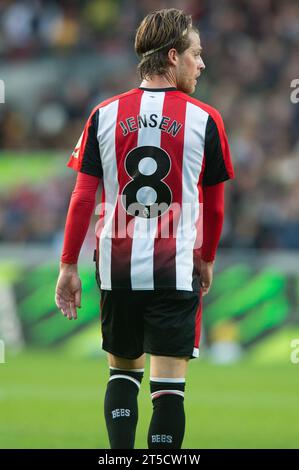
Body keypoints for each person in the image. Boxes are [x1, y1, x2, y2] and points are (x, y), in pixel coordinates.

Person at [55, 8, 235, 449]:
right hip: (175, 269)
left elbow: (82, 198)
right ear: (173, 56)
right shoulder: (206, 118)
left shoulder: (104, 113)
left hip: (116, 267)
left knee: (122, 375)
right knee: (169, 390)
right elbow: (214, 209)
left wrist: (67, 266)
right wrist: (207, 258)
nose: (202, 63)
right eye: (196, 54)